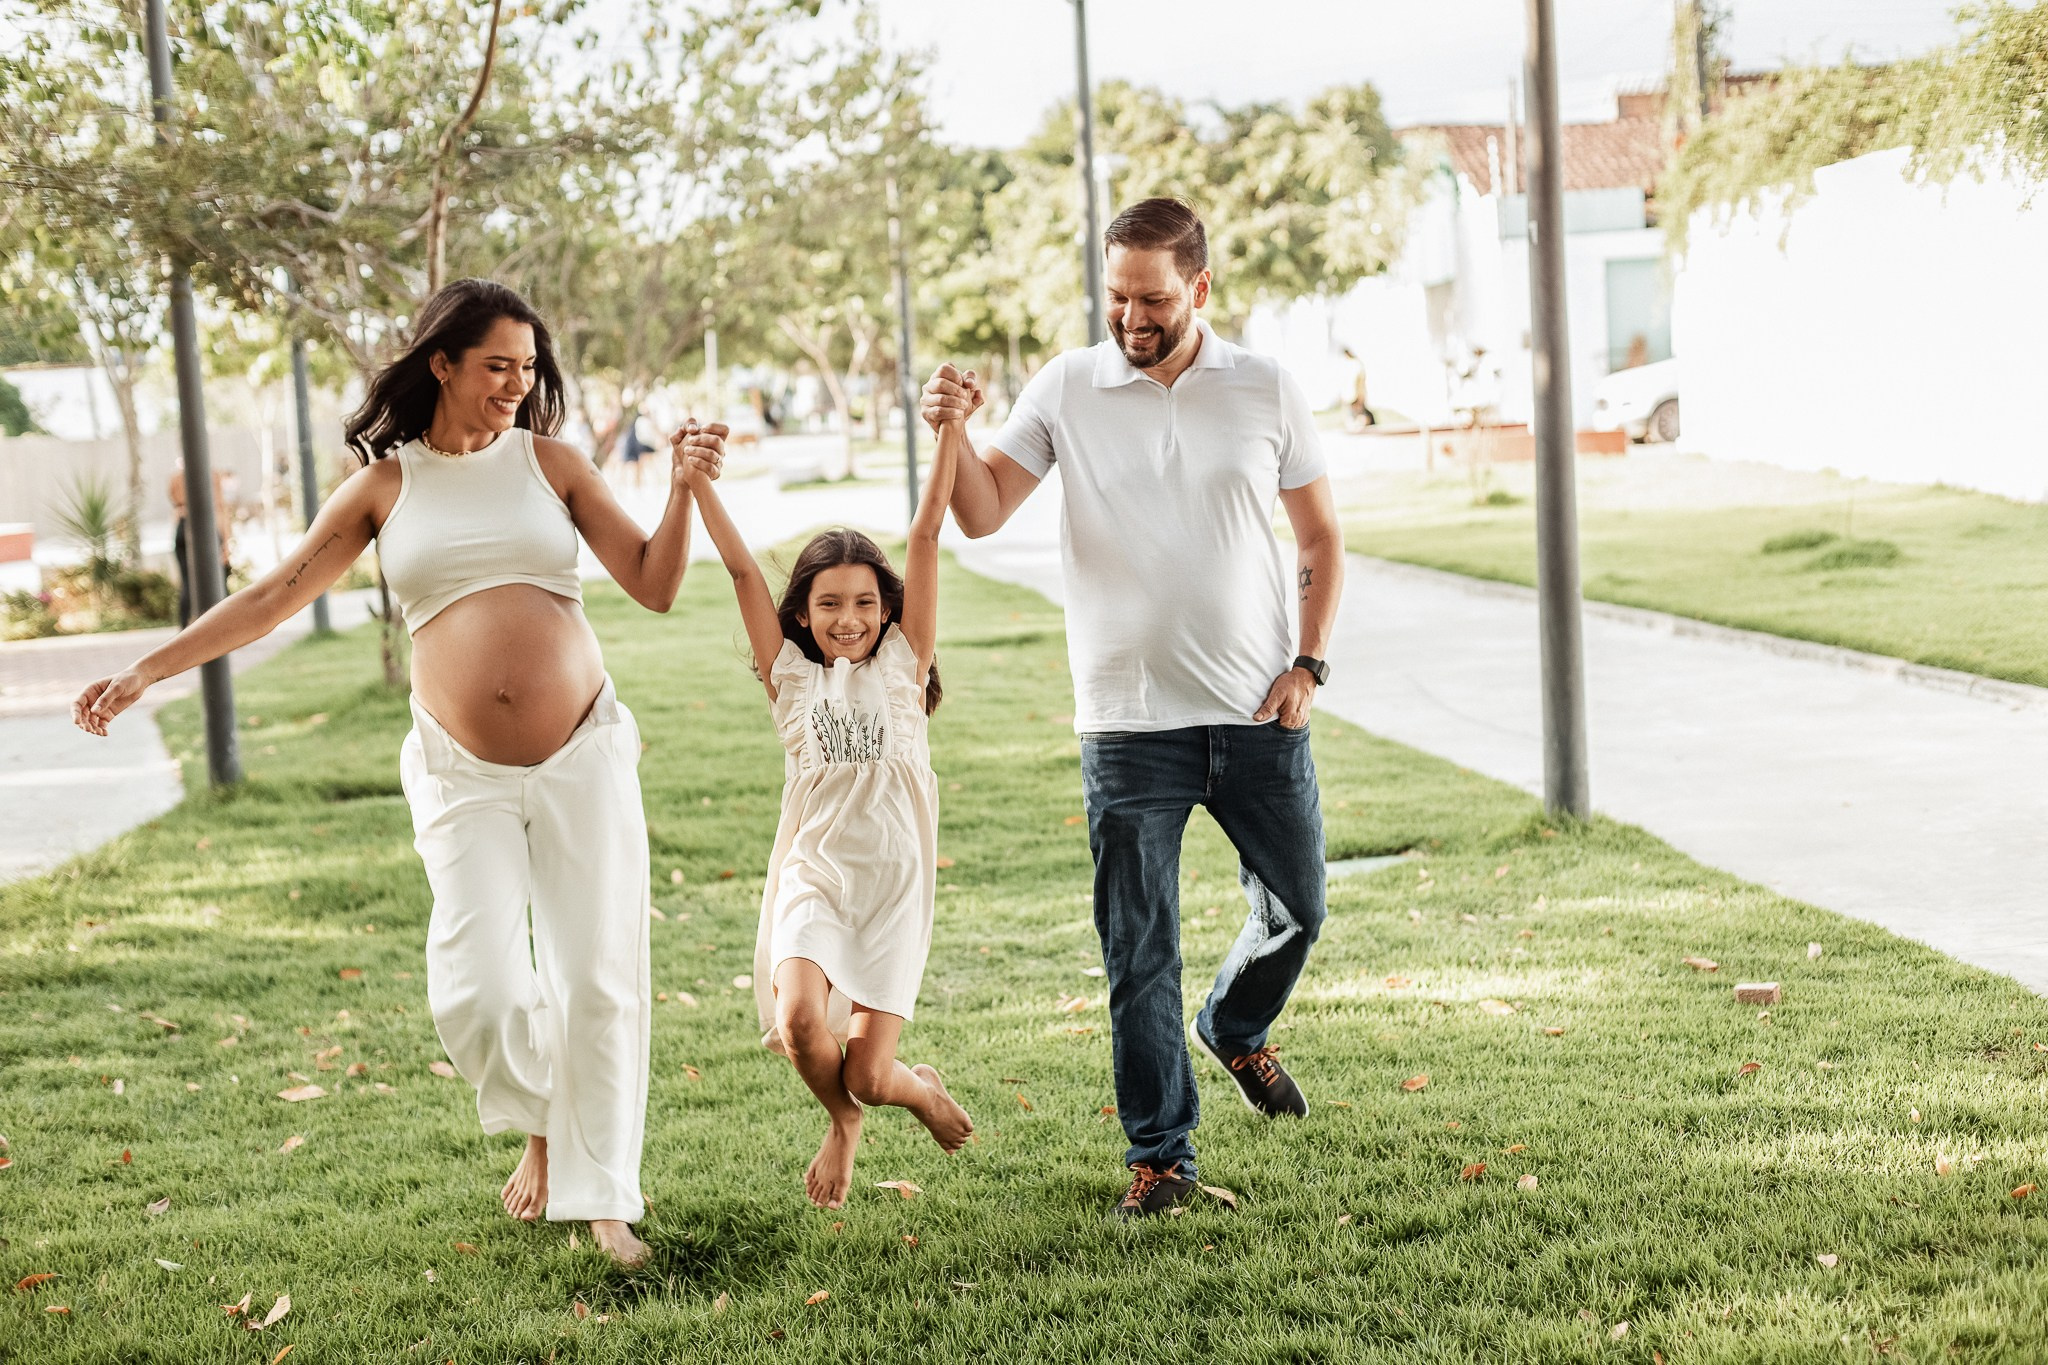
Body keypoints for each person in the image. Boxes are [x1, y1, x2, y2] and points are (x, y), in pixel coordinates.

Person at [73, 278, 729, 1267]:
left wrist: (682, 489)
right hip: (458, 766)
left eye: (527, 366)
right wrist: (147, 669)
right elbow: (268, 597)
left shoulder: (551, 464)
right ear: (443, 364)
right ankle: (541, 1120)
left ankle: (604, 1201)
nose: (515, 383)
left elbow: (657, 584)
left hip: (583, 749)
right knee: (483, 987)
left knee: (597, 978)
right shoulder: (387, 485)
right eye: (495, 364)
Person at [921, 198, 1345, 1219]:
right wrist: (952, 428)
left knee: (1299, 905)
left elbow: (1320, 542)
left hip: (1254, 717)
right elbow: (978, 513)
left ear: (1199, 288)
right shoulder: (1068, 386)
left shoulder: (1263, 387)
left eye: (1151, 298)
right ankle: (1160, 1160)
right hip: (1124, 725)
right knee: (1137, 952)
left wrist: (1307, 666)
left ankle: (1235, 1029)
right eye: (1115, 295)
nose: (1130, 316)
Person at [687, 413, 974, 1210]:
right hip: (815, 877)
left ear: (886, 607)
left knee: (873, 1071)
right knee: (801, 1022)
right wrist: (699, 483)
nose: (847, 617)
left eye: (862, 601)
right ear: (803, 614)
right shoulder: (791, 681)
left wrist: (951, 430)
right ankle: (841, 1121)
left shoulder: (902, 665)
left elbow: (923, 533)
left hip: (892, 886)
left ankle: (908, 1092)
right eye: (827, 604)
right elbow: (744, 573)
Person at [167, 460, 232, 628]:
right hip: (206, 527)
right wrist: (226, 542)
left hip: (183, 525)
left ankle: (185, 632)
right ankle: (224, 629)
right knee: (218, 579)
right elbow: (219, 507)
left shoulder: (176, 479)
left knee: (188, 583)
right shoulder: (211, 476)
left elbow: (175, 503)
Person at [1342, 346, 1377, 431]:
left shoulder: (1356, 366)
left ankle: (1358, 425)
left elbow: (1360, 384)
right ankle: (1356, 425)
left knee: (1359, 415)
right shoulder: (1354, 366)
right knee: (1354, 415)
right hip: (1354, 398)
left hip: (1356, 397)